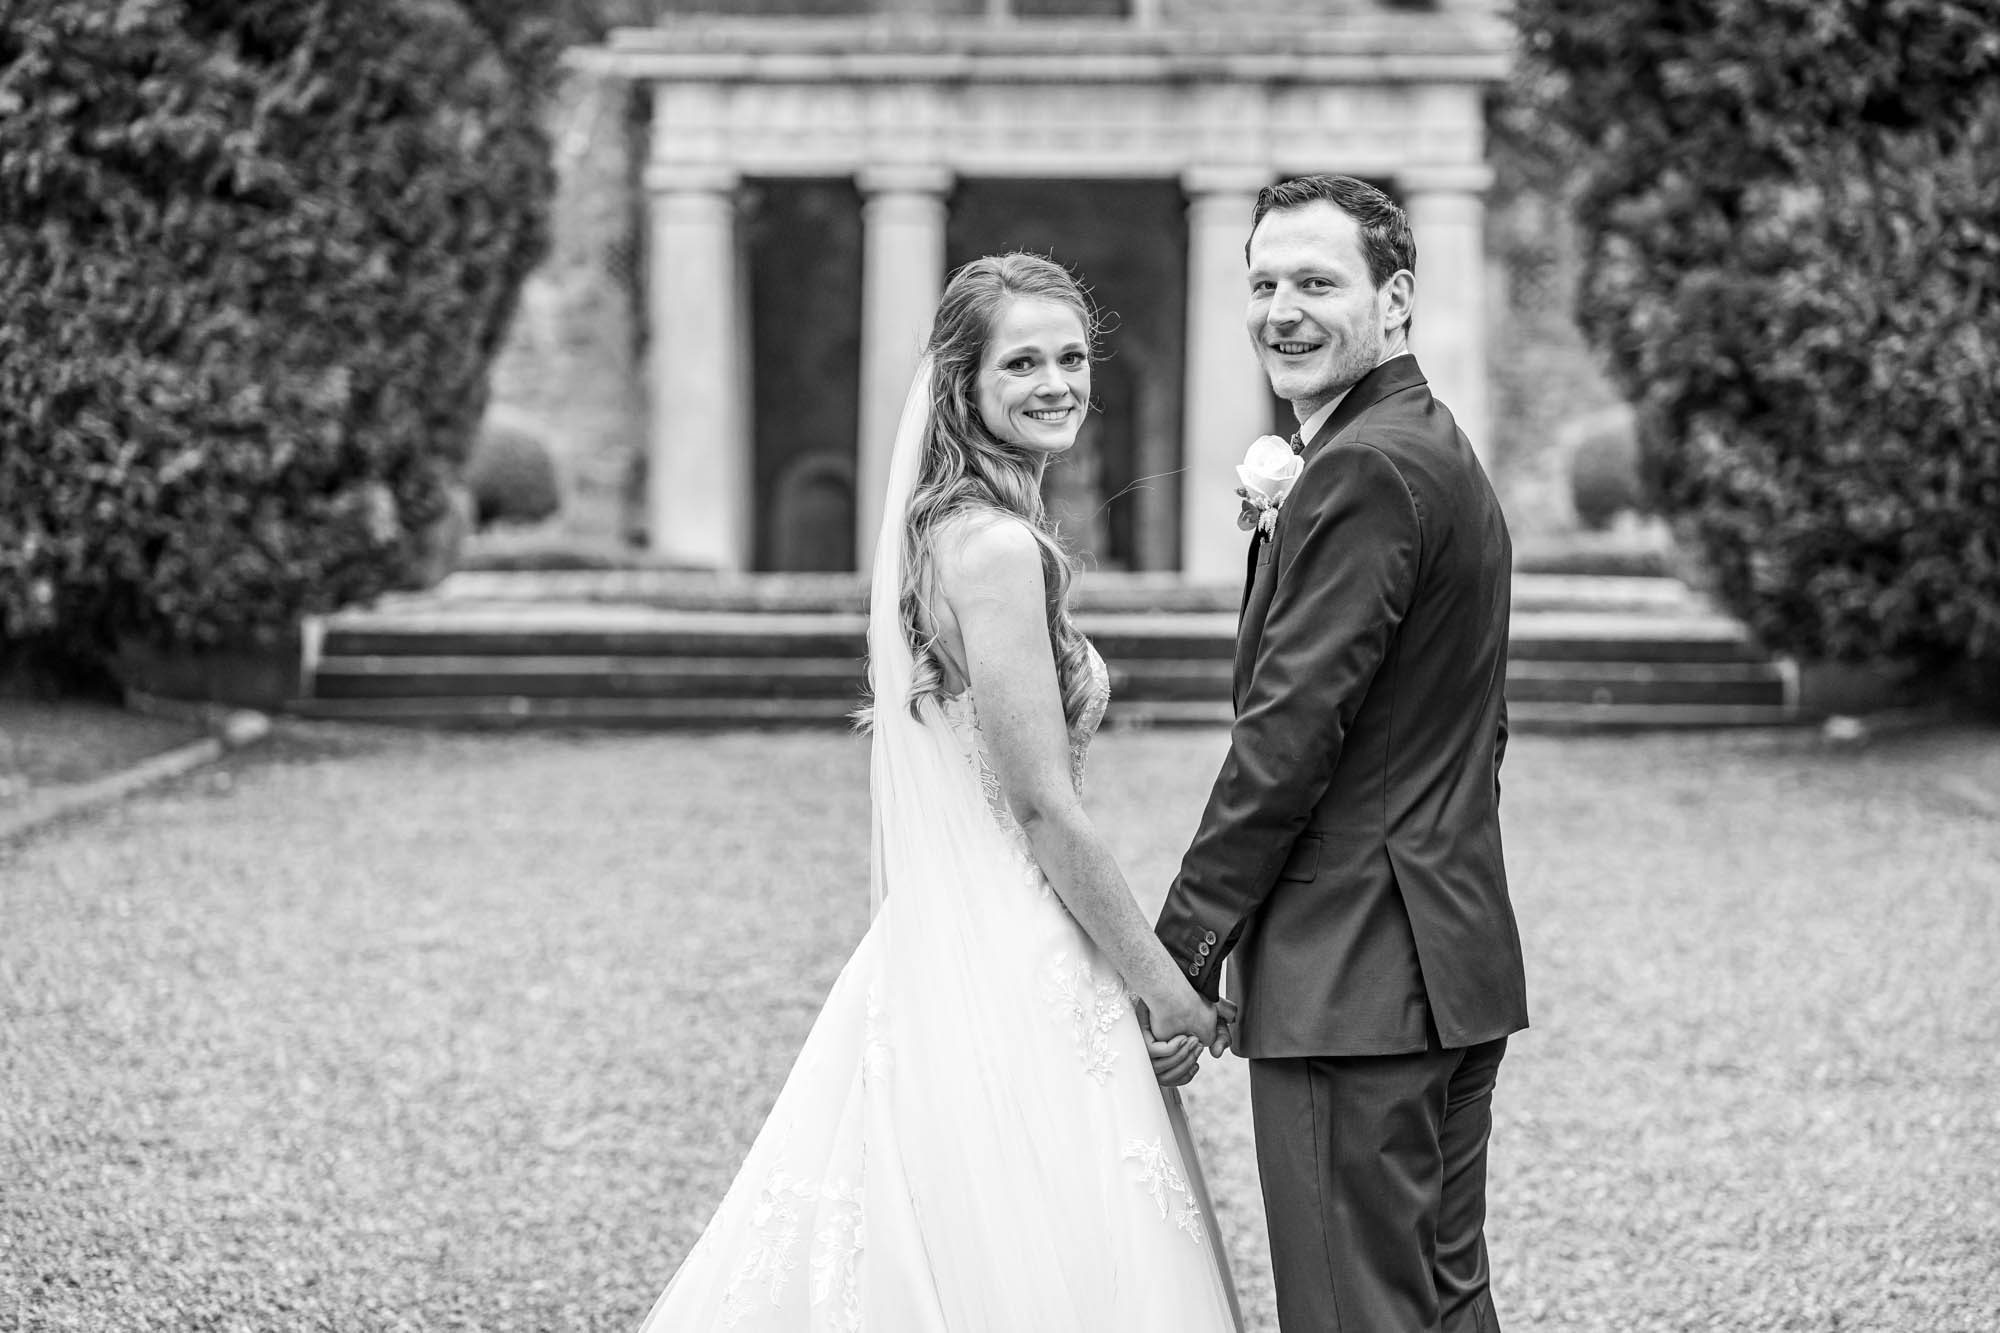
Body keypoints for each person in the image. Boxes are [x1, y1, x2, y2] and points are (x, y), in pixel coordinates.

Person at [635, 252, 1243, 1332]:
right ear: (961, 385)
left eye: (1069, 356)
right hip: (1014, 943)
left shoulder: (942, 531)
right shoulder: (999, 549)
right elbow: (1042, 808)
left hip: (940, 932)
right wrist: (1161, 985)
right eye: (1020, 362)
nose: (1055, 381)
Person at [1149, 175, 1529, 1333]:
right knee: (1436, 1306)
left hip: (1351, 984)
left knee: (1347, 1314)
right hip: (1444, 963)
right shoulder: (1430, 447)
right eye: (1261, 283)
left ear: (1395, 297)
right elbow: (1477, 728)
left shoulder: (1362, 468)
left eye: (1316, 282)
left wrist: (1181, 949)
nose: (1280, 311)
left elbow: (1285, 743)